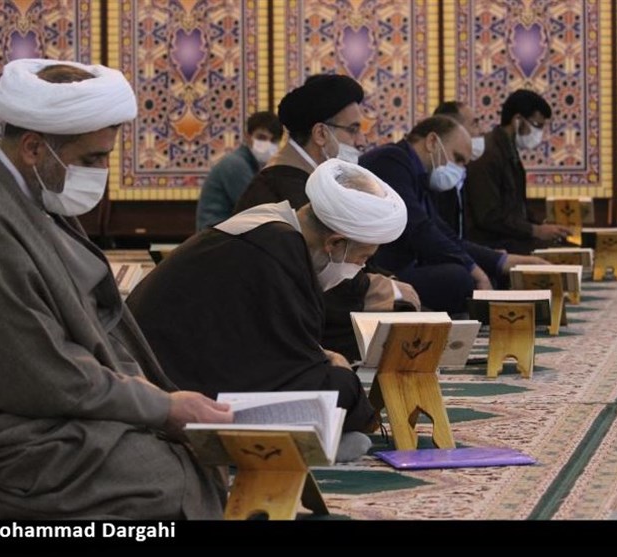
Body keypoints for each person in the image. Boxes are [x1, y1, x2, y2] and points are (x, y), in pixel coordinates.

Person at [0, 59, 233, 520]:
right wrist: (160, 407)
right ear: (34, 148)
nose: (102, 171)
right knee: (168, 478)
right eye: (92, 159)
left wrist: (152, 400)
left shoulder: (20, 190)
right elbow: (41, 373)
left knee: (189, 456)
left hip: (42, 409)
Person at [128, 159, 408, 457]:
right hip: (168, 386)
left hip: (161, 367)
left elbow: (264, 342)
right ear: (335, 243)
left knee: (334, 383)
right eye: (362, 258)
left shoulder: (272, 223)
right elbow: (286, 366)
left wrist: (318, 358)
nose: (359, 268)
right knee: (341, 387)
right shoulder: (279, 250)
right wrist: (332, 371)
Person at [234, 74, 420, 362]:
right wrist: (387, 290)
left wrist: (386, 283)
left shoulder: (306, 181)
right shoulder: (283, 187)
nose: (361, 140)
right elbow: (315, 277)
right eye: (353, 129)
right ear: (321, 134)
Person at [360, 116, 549, 314]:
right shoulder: (391, 160)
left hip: (403, 267)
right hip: (380, 272)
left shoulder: (419, 174)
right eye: (457, 159)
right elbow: (419, 229)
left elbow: (445, 234)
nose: (459, 170)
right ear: (432, 142)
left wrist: (501, 261)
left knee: (484, 273)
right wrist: (474, 270)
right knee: (459, 278)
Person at [464, 89, 573, 254]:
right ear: (517, 120)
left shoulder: (509, 152)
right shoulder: (487, 154)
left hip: (513, 238)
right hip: (493, 244)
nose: (539, 134)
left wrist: (541, 227)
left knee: (569, 249)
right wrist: (535, 231)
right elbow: (488, 216)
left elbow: (518, 208)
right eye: (536, 126)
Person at [195, 111, 282, 231]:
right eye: (261, 138)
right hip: (215, 236)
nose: (267, 144)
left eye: (273, 140)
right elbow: (255, 208)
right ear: (247, 136)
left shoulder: (253, 165)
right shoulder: (236, 165)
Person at [432, 100, 484, 237]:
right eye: (474, 124)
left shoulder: (461, 171)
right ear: (454, 129)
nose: (481, 131)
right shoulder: (438, 178)